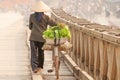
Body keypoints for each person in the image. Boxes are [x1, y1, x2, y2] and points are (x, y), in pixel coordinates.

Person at [29, 0, 56, 74]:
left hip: (33, 38)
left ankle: (34, 68)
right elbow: (53, 24)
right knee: (41, 53)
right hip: (42, 38)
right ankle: (40, 67)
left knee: (33, 53)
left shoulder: (31, 16)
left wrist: (35, 28)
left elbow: (30, 27)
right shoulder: (46, 17)